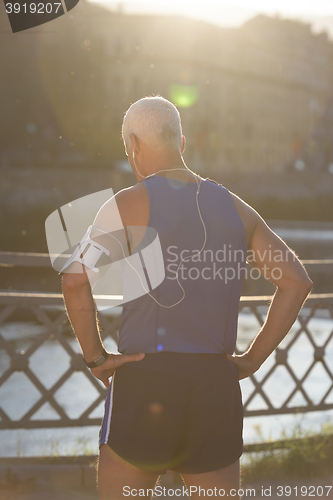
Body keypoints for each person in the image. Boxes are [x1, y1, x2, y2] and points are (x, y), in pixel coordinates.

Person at [62, 96, 313, 500]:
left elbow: (74, 280)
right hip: (214, 384)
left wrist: (96, 358)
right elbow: (297, 283)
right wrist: (251, 359)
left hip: (144, 380)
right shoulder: (238, 209)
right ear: (181, 143)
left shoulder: (126, 204)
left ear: (133, 146)